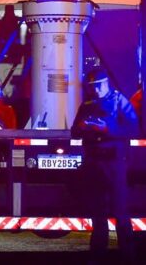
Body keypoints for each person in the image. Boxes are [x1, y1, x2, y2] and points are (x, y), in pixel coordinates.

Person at [71, 68, 140, 264]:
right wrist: (84, 127)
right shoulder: (87, 104)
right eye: (92, 87)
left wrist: (107, 129)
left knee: (120, 212)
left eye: (98, 85)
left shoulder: (119, 101)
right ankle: (97, 255)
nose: (96, 90)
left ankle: (128, 256)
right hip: (94, 164)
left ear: (106, 83)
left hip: (114, 162)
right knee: (97, 213)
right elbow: (74, 131)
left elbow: (133, 129)